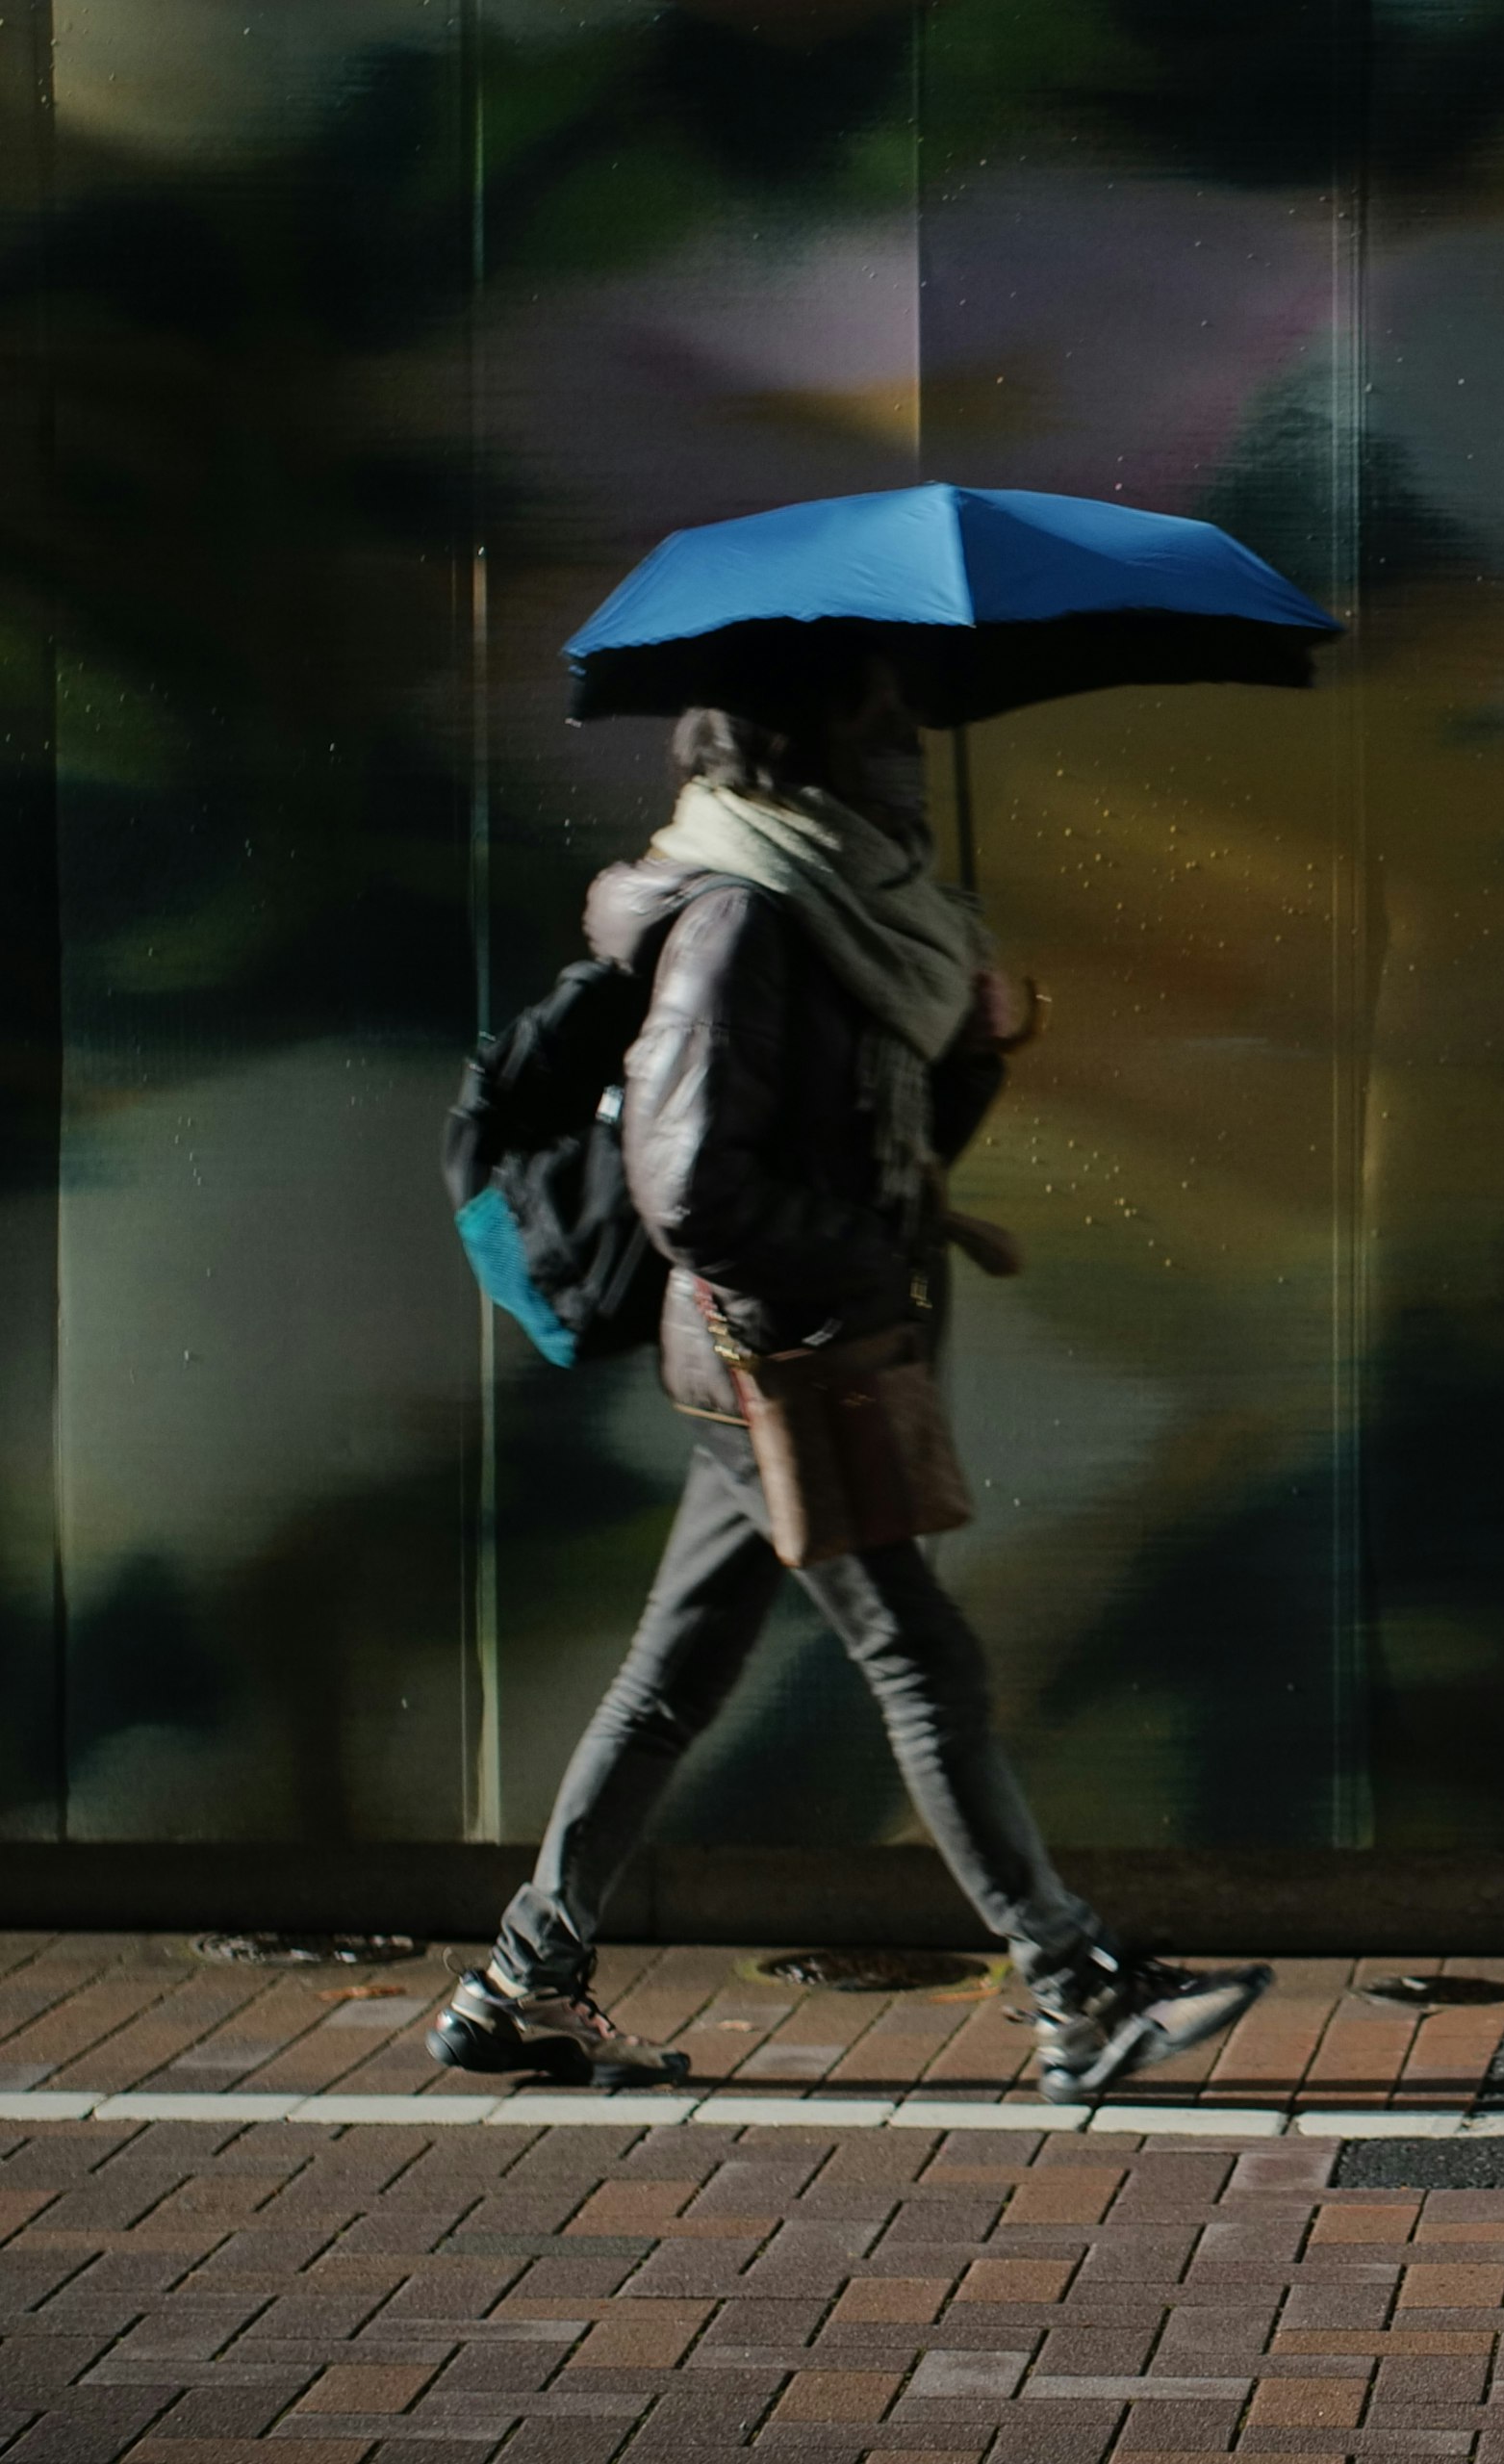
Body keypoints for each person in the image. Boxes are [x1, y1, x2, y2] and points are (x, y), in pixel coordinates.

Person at [428, 629, 1262, 2104]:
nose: (911, 769)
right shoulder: (745, 914)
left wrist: (981, 1042)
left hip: (794, 1347)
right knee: (917, 1654)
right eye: (884, 738)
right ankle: (1073, 1985)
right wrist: (860, 1267)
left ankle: (522, 1984)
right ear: (811, 752)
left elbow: (887, 1143)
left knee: (674, 1676)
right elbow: (688, 1183)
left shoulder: (836, 915)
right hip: (785, 1359)